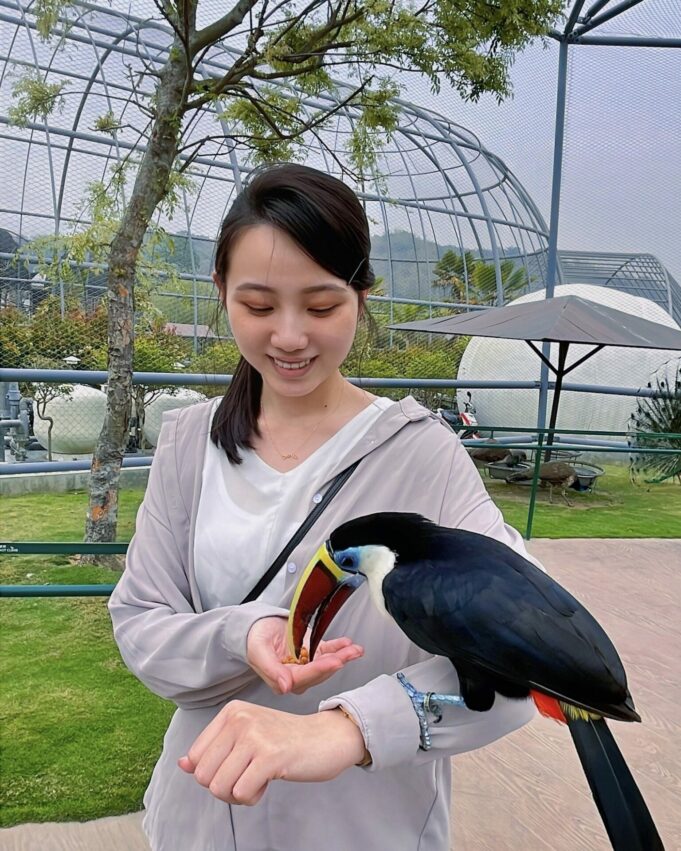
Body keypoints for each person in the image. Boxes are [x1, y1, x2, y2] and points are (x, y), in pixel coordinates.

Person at [108, 163, 540, 851]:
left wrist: (348, 727)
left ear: (361, 296)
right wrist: (242, 634)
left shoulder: (420, 456)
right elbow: (140, 624)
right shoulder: (189, 442)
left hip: (367, 828)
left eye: (319, 306)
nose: (287, 336)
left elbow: (522, 670)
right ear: (219, 292)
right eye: (256, 306)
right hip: (200, 817)